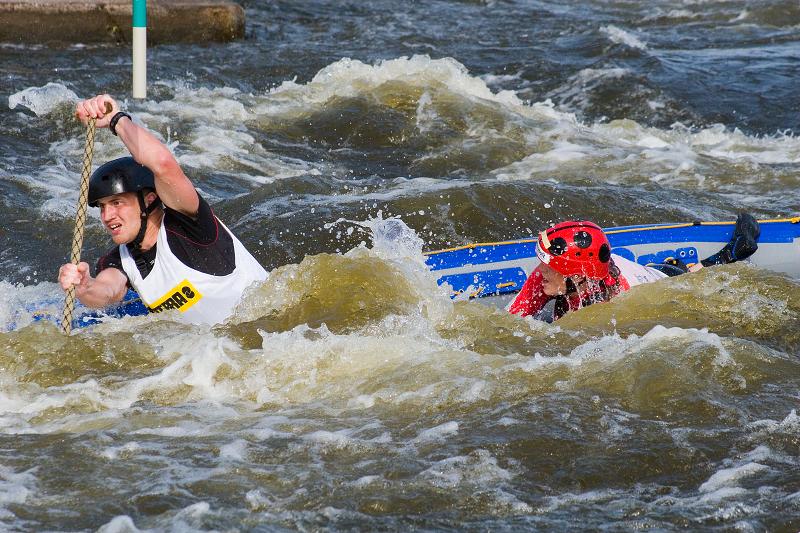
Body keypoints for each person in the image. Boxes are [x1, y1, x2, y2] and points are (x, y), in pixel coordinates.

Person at [58, 94, 267, 325]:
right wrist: (85, 286)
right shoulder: (121, 258)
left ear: (149, 200)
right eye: (102, 207)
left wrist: (116, 120)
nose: (107, 217)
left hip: (271, 334)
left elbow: (163, 164)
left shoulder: (190, 226)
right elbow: (107, 292)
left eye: (117, 203)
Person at [508, 214, 760, 322]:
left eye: (549, 266)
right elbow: (508, 324)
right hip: (634, 271)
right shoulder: (547, 277)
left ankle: (729, 255)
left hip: (665, 280)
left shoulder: (619, 300)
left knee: (691, 277)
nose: (540, 270)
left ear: (577, 274)